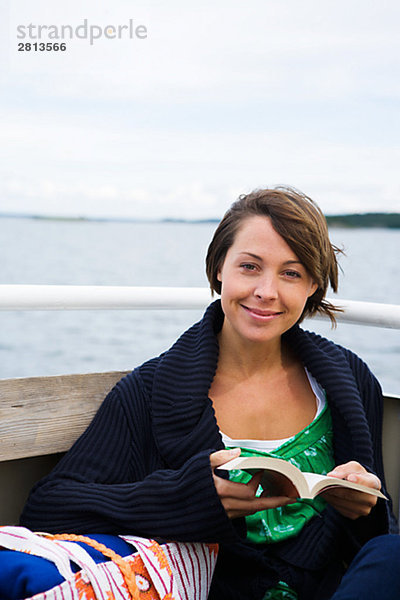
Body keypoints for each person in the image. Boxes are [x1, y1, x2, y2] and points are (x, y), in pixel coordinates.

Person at [20, 187, 400, 599]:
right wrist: (186, 499)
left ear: (312, 285)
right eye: (250, 267)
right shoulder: (150, 391)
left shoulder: (349, 380)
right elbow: (47, 507)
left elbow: (374, 537)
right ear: (220, 267)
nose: (267, 291)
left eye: (291, 273)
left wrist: (367, 508)